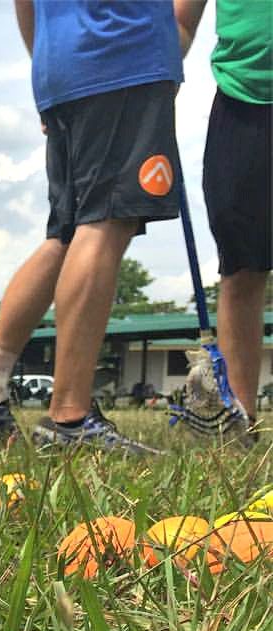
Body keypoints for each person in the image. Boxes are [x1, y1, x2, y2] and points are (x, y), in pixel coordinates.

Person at [0, 0, 183, 454]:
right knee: (107, 223)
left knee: (67, 234)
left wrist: (47, 64)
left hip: (62, 65)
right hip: (124, 54)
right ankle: (69, 417)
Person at [174, 0, 271, 444]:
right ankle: (240, 421)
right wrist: (156, 84)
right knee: (241, 264)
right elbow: (180, 18)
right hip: (243, 99)